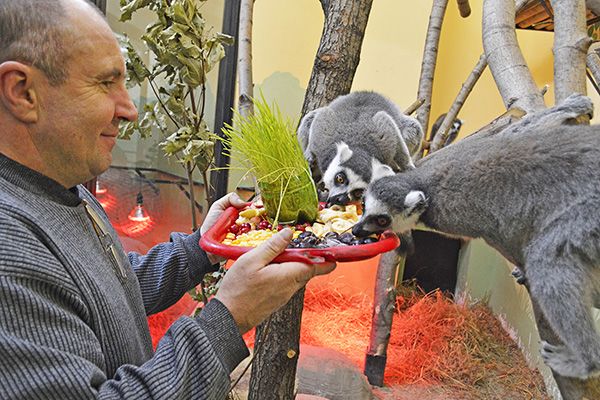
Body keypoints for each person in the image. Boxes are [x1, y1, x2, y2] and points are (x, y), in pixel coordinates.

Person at [0, 0, 336, 398]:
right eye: (105, 83)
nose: (129, 109)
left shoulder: (61, 188)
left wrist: (204, 247)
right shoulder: (9, 245)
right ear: (22, 92)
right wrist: (228, 317)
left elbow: (106, 291)